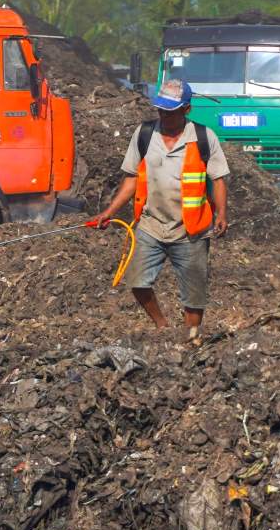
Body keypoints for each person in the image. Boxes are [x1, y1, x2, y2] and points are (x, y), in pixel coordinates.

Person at [92, 79, 230, 341]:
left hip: (190, 230)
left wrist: (221, 214)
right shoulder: (144, 134)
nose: (164, 116)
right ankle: (162, 327)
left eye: (171, 111)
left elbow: (219, 180)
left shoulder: (203, 137)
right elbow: (131, 177)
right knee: (137, 281)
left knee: (194, 293)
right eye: (161, 110)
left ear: (186, 109)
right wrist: (109, 211)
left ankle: (191, 338)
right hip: (150, 225)